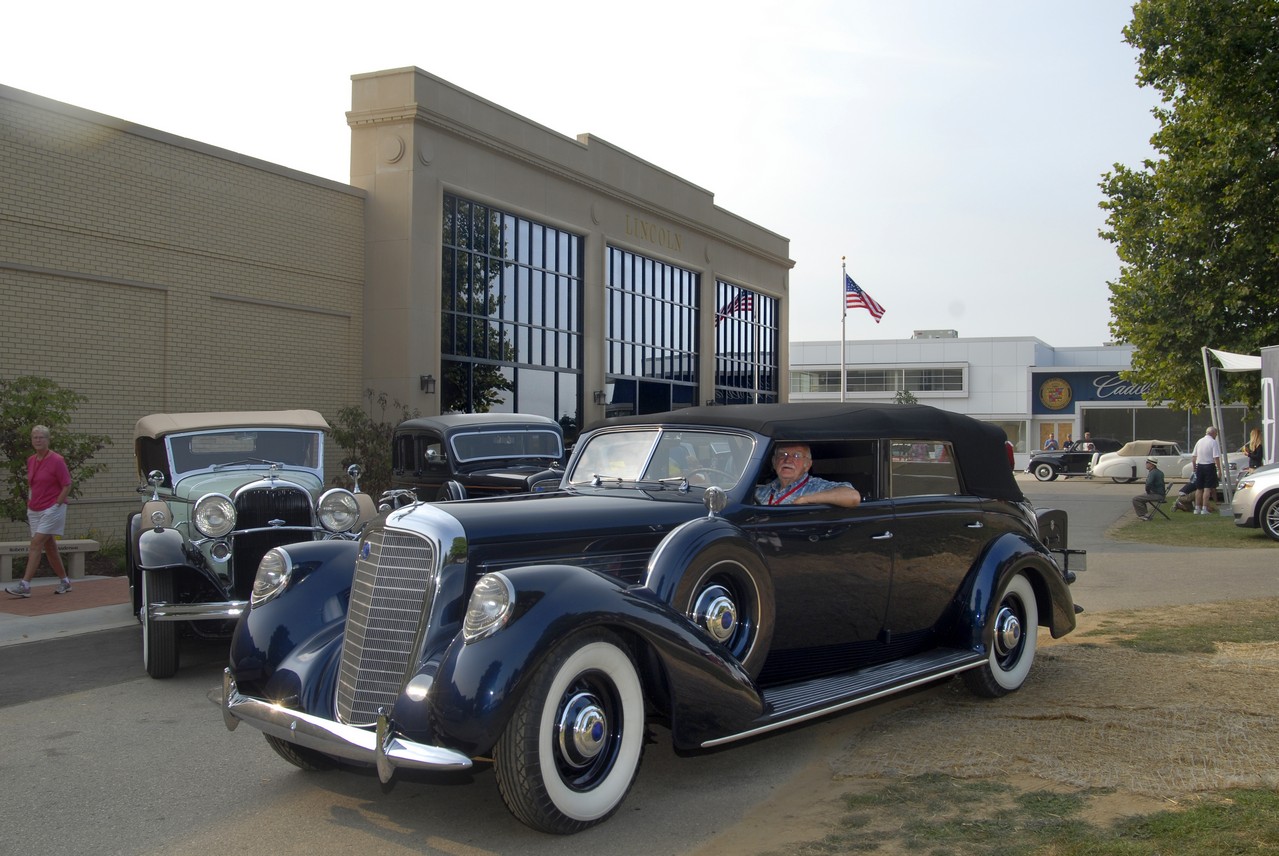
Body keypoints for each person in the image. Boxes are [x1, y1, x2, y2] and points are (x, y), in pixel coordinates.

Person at [6, 425, 74, 597]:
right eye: (35, 437)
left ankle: (25, 585)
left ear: (48, 440)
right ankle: (65, 581)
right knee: (49, 546)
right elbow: (33, 484)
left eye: (41, 437)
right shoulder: (31, 460)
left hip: (52, 509)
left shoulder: (57, 460)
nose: (37, 440)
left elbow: (67, 484)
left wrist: (56, 505)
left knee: (36, 543)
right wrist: (30, 503)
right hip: (34, 509)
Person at [755, 443, 861, 508]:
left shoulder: (816, 487)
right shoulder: (761, 491)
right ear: (774, 462)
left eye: (797, 455)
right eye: (783, 454)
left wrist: (805, 499)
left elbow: (853, 497)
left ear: (807, 465)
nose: (788, 460)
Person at [1191, 426, 1222, 515]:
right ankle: (1204, 508)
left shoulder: (1199, 441)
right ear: (1213, 433)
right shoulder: (1213, 442)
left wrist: (1194, 468)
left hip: (1200, 466)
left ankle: (1197, 508)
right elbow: (1216, 457)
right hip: (1209, 466)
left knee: (1199, 488)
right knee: (1207, 488)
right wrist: (1219, 469)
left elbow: (1193, 457)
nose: (1216, 436)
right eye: (1216, 434)